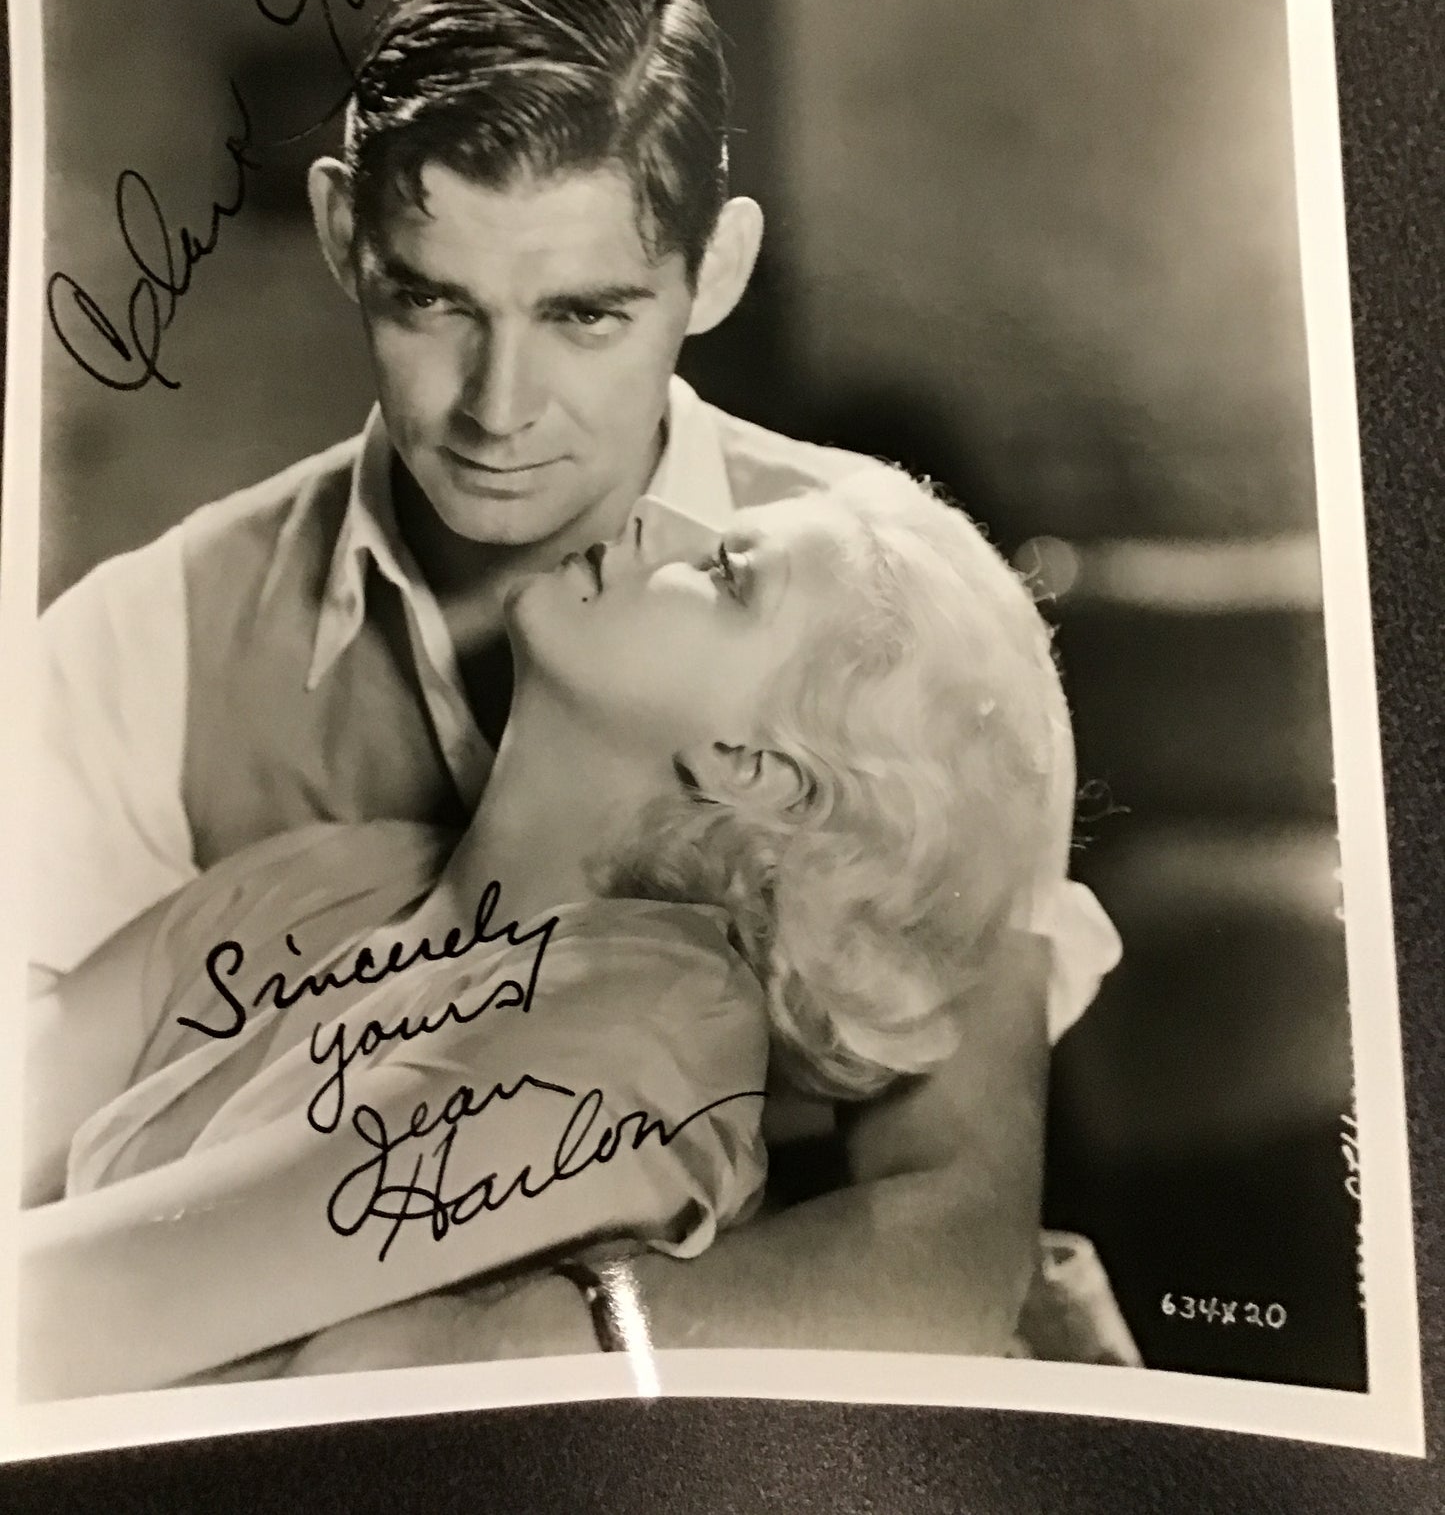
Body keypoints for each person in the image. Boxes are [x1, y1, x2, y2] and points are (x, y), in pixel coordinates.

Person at [35, 0, 1123, 1369]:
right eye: (434, 299)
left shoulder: (908, 622)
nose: (500, 404)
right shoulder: (144, 648)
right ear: (348, 236)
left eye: (587, 314)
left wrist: (468, 1354)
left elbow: (944, 1241)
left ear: (713, 271)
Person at [24, 470, 1117, 1397]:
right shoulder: (325, 870)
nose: (656, 518)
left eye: (729, 573)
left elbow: (93, 1310)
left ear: (752, 765)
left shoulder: (652, 1024)